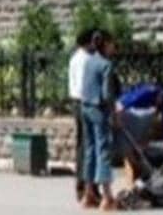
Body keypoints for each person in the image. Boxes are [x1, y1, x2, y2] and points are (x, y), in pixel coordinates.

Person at [79, 31, 118, 211]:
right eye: (112, 44)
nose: (114, 47)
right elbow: (107, 94)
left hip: (85, 107)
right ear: (106, 45)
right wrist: (114, 114)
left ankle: (88, 194)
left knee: (90, 150)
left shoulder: (89, 61)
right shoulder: (106, 65)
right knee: (103, 151)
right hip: (98, 109)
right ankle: (107, 196)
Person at [69, 29, 96, 203]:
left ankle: (82, 186)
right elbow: (85, 86)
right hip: (85, 103)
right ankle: (87, 188)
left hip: (76, 102)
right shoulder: (86, 60)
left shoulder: (75, 58)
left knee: (82, 145)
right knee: (88, 146)